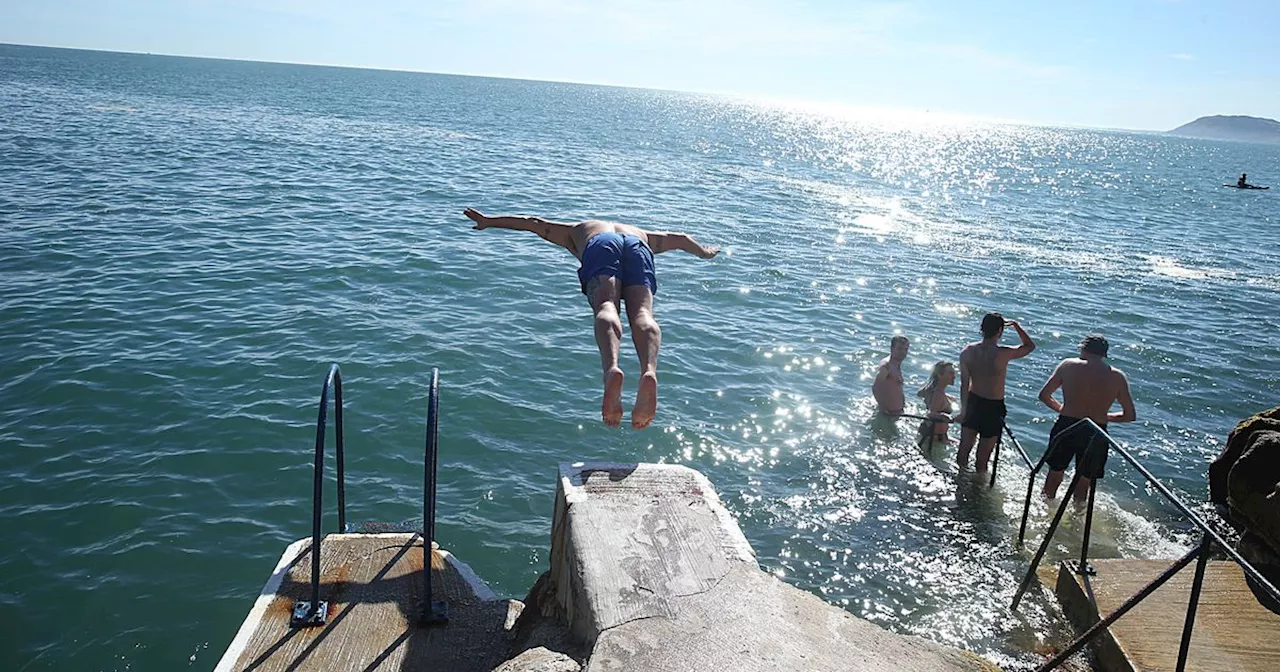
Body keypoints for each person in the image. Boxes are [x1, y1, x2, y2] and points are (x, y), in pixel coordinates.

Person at [463, 208, 719, 429]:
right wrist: (704, 252)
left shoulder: (577, 231)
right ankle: (649, 371)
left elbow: (535, 223)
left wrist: (489, 221)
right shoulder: (643, 233)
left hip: (600, 245)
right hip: (639, 246)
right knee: (642, 313)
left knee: (606, 305)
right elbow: (681, 238)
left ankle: (611, 370)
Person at [1037, 334, 1136, 502]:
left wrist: (1063, 409)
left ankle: (1044, 510)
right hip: (1096, 430)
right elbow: (1129, 416)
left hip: (1067, 425)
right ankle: (1078, 520)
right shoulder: (1118, 376)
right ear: (1104, 354)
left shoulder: (1068, 365)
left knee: (1054, 475)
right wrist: (1103, 416)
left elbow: (1044, 395)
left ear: (1083, 349)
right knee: (1084, 482)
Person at [955, 313, 1035, 471]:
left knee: (963, 452)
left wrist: (964, 410)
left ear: (982, 328)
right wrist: (1017, 326)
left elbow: (964, 385)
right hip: (993, 407)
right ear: (1000, 331)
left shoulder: (967, 351)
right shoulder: (1003, 353)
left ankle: (960, 483)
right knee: (982, 460)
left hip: (973, 403)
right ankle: (976, 492)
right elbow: (1029, 346)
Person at [916, 360, 956, 449]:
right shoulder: (938, 394)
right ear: (940, 375)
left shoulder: (934, 390)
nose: (954, 376)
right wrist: (944, 416)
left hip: (935, 435)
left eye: (954, 373)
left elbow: (919, 394)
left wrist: (947, 397)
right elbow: (931, 414)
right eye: (950, 373)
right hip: (932, 437)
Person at [872, 335, 909, 415]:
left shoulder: (896, 364)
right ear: (892, 348)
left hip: (896, 413)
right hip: (887, 415)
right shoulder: (887, 366)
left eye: (905, 349)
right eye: (899, 348)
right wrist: (884, 408)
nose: (903, 352)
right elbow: (876, 387)